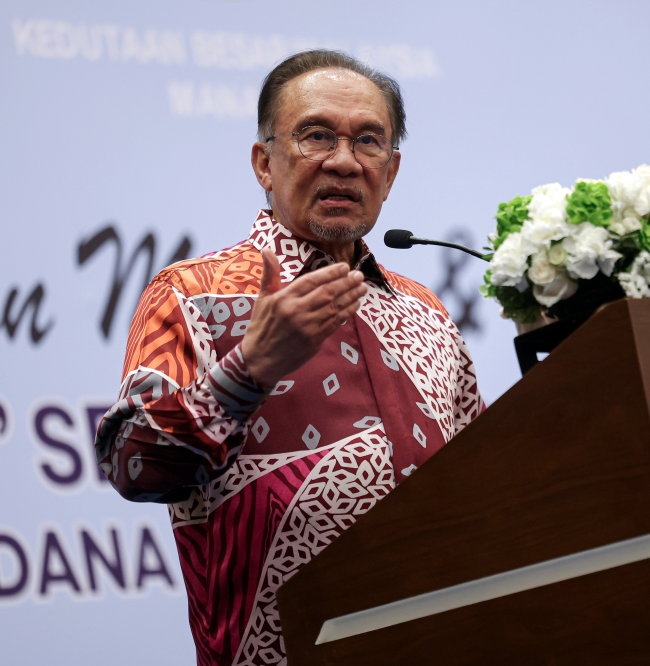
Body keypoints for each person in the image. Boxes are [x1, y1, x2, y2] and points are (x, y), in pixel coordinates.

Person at [94, 49, 483, 666]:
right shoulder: (192, 293)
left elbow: (482, 484)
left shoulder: (426, 309)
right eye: (316, 136)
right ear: (263, 163)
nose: (344, 161)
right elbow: (131, 464)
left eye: (369, 141)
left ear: (393, 169)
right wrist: (247, 372)